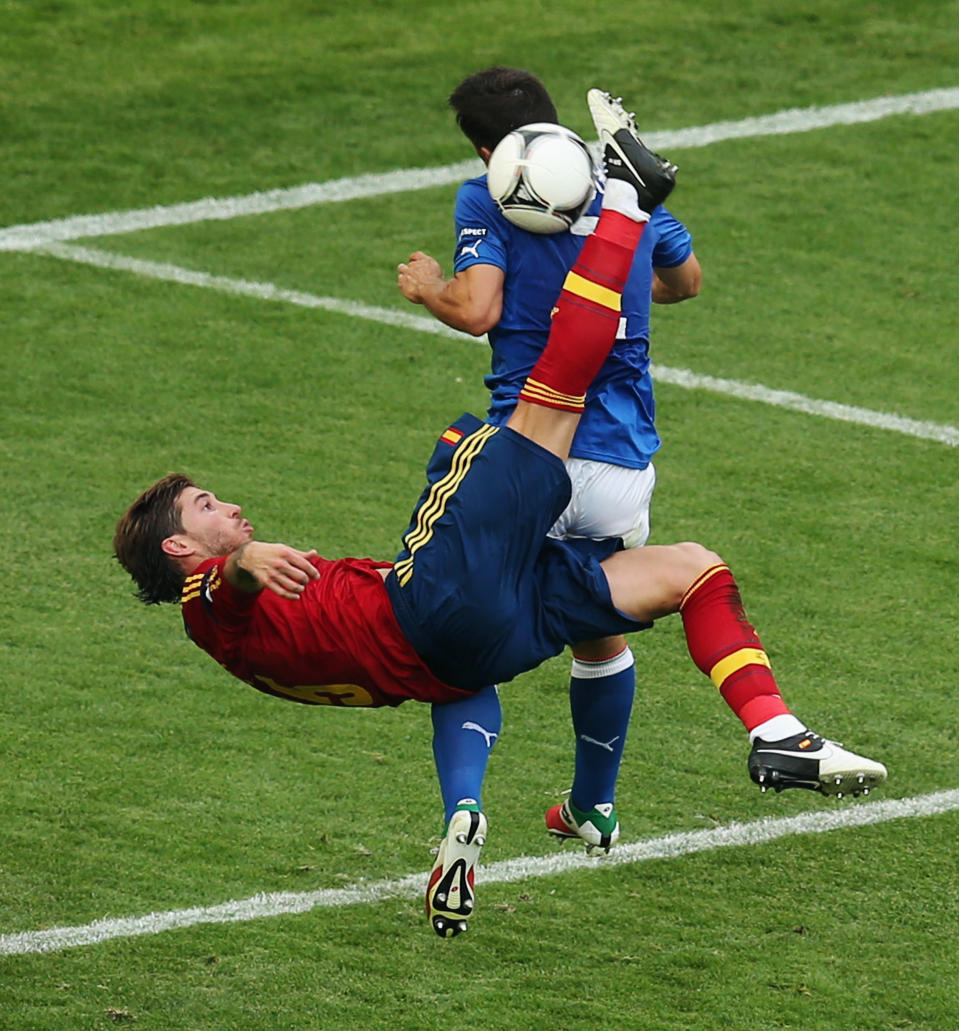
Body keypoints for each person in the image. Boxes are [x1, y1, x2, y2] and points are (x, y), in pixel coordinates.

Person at [115, 96, 886, 940]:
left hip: (468, 648)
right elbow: (221, 593)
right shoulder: (207, 602)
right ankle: (630, 194)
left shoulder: (248, 646)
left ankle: (775, 734)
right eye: (206, 508)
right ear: (182, 547)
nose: (228, 505)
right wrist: (241, 562)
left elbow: (427, 665)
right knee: (509, 416)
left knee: (691, 568)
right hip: (447, 589)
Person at [397, 69, 702, 855]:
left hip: (528, 453)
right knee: (600, 638)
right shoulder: (619, 187)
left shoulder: (485, 195)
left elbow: (479, 309)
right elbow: (685, 280)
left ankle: (464, 806)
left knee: (464, 638)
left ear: (481, 147)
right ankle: (592, 807)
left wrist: (429, 287)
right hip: (621, 464)